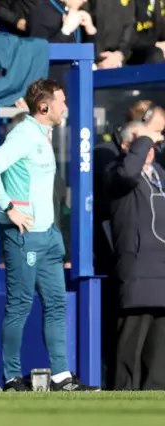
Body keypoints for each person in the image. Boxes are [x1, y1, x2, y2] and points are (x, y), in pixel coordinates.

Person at [0, 78, 97, 391]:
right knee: (19, 306)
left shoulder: (42, 134)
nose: (66, 107)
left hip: (47, 236)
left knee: (57, 304)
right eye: (61, 102)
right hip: (23, 235)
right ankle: (12, 378)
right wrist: (9, 208)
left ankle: (61, 378)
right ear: (44, 107)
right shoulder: (24, 135)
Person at [109, 122, 165, 390]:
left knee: (159, 352)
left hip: (161, 272)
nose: (149, 150)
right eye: (142, 144)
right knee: (131, 343)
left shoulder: (160, 175)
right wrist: (143, 140)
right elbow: (129, 173)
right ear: (126, 147)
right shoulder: (117, 173)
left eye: (151, 145)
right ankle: (124, 397)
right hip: (137, 272)